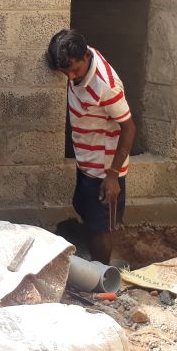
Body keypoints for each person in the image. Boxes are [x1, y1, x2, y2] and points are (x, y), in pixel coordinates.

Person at [46, 29, 136, 265]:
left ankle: (102, 273)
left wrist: (112, 176)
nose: (70, 77)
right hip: (87, 161)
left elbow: (129, 128)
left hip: (105, 170)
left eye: (74, 70)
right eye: (65, 71)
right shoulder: (78, 59)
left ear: (86, 56)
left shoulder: (106, 86)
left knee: (101, 227)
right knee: (85, 211)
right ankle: (92, 262)